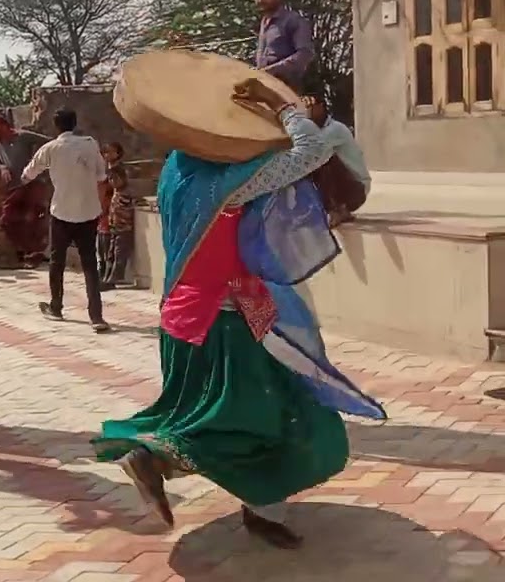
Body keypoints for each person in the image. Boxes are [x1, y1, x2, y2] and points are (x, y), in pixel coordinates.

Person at [93, 77, 385, 549]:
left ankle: (259, 507)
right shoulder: (229, 182)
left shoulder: (178, 169)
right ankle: (153, 458)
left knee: (233, 416)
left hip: (184, 318)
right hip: (226, 322)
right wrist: (284, 109)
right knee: (256, 421)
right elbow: (309, 153)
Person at [21, 108, 109, 331]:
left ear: (56, 126)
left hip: (61, 212)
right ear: (75, 123)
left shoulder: (50, 148)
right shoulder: (90, 144)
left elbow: (27, 174)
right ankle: (96, 316)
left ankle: (56, 306)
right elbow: (101, 175)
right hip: (88, 212)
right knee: (90, 263)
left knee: (56, 260)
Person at [0, 112, 51, 268]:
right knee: (7, 220)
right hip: (13, 187)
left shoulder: (23, 137)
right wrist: (2, 168)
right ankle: (23, 252)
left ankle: (34, 254)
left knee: (33, 219)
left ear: (3, 126)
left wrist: (37, 165)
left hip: (31, 183)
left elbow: (49, 144)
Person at [306, 97, 370, 226]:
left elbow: (310, 151)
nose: (306, 110)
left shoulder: (335, 129)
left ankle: (336, 209)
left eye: (310, 106)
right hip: (350, 189)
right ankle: (340, 210)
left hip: (356, 190)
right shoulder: (317, 131)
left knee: (322, 160)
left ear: (321, 107)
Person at [254, 0, 315, 93]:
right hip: (266, 88)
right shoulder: (264, 22)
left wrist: (272, 70)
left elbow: (305, 54)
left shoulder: (293, 20)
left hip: (287, 90)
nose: (261, 0)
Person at [100, 166, 135, 290]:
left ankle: (113, 279)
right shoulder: (116, 192)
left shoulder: (126, 192)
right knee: (110, 254)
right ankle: (107, 277)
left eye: (115, 178)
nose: (113, 181)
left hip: (124, 229)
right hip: (114, 228)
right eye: (110, 179)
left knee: (119, 254)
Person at [97, 143, 125, 281]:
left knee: (114, 244)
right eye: (105, 152)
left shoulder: (117, 170)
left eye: (110, 152)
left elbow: (118, 185)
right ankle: (104, 272)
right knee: (104, 242)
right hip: (107, 210)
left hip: (118, 210)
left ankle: (111, 276)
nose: (107, 155)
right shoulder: (108, 169)